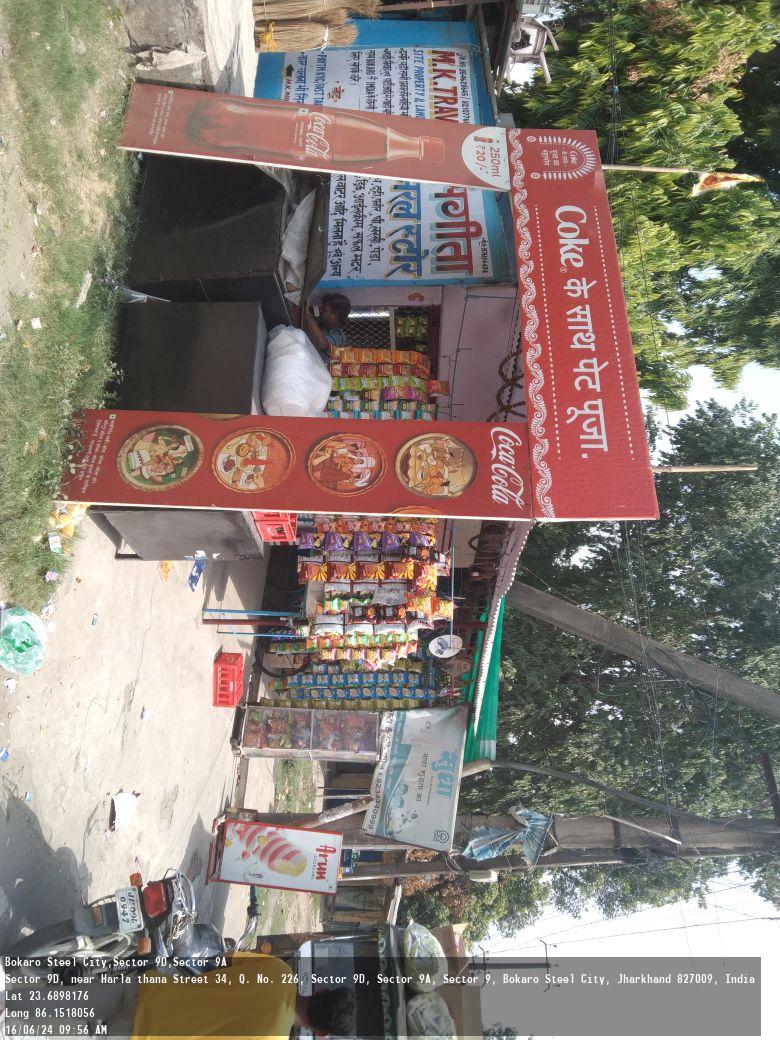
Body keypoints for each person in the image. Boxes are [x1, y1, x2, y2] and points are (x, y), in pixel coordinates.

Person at [303, 293, 351, 360]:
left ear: (335, 317)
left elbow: (321, 343)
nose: (321, 311)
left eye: (324, 310)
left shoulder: (340, 337)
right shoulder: (323, 327)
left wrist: (308, 316)